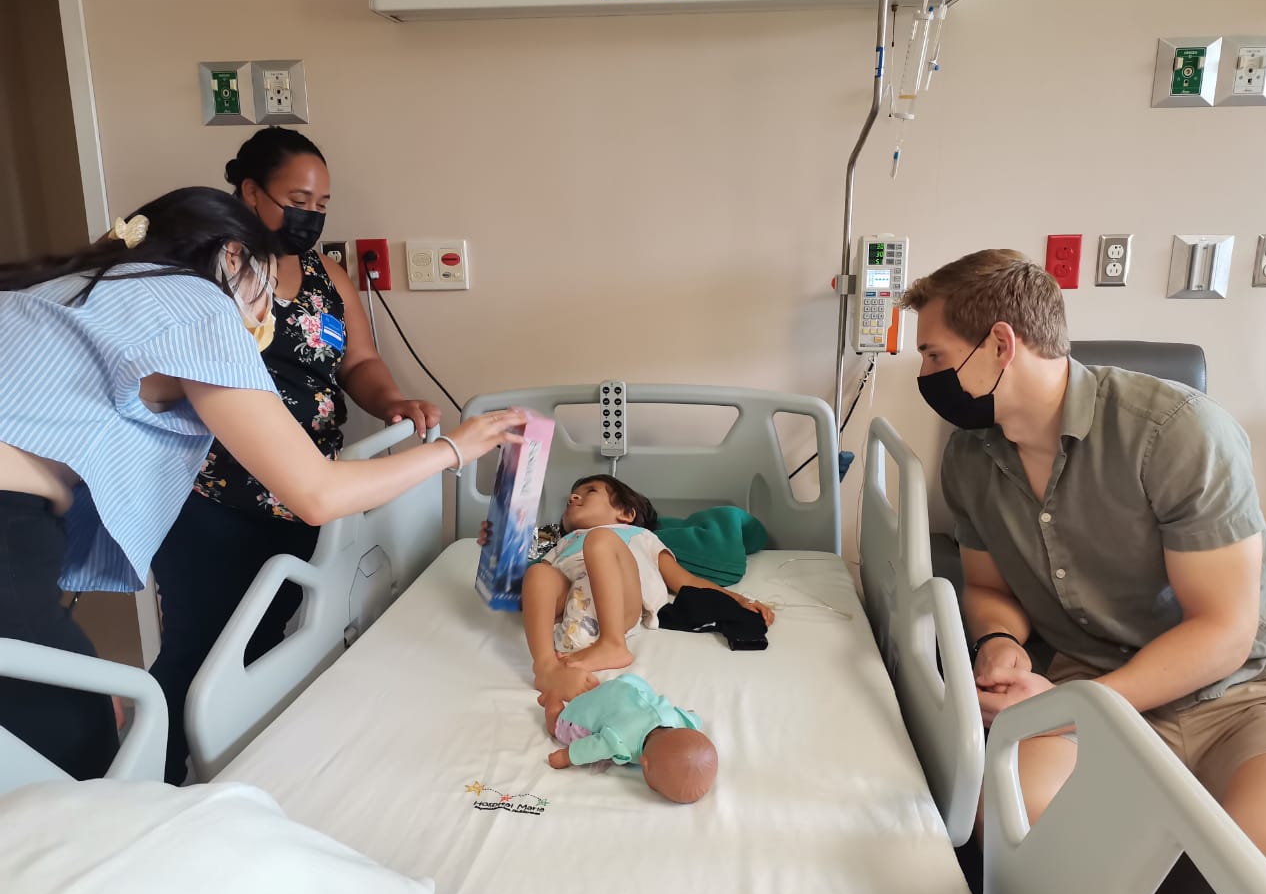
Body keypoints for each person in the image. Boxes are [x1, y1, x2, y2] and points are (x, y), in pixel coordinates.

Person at [0, 186, 522, 782]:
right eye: (267, 288)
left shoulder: (80, 287)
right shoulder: (198, 305)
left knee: (67, 711)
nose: (267, 312)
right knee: (73, 742)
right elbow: (318, 494)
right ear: (231, 256)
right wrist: (456, 448)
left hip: (24, 520)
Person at [905, 248, 1266, 894]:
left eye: (933, 355)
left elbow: (1225, 631)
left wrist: (1083, 703)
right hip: (1084, 671)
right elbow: (988, 586)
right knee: (1013, 816)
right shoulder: (971, 459)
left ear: (1001, 345)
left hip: (1240, 696)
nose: (924, 376)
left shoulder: (1177, 434)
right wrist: (1001, 645)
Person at [149, 128, 445, 784]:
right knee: (199, 652)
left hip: (310, 497)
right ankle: (152, 785)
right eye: (298, 200)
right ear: (250, 192)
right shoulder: (212, 268)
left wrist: (394, 402)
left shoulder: (326, 276)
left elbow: (358, 361)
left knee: (268, 649)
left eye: (323, 204)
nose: (312, 215)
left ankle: (237, 780)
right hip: (215, 500)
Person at [511, 475, 774, 698]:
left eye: (589, 492)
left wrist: (739, 599)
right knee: (538, 572)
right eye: (571, 497)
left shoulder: (639, 536)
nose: (573, 498)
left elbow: (687, 581)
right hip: (571, 607)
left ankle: (612, 644)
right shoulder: (563, 543)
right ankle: (545, 666)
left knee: (600, 540)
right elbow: (531, 585)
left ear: (626, 514)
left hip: (622, 606)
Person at [538, 673, 717, 804]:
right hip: (601, 702)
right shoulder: (621, 741)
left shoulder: (678, 720)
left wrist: (692, 717)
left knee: (628, 701)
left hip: (628, 685)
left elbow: (692, 717)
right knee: (557, 727)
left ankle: (597, 691)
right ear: (645, 765)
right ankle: (552, 697)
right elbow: (594, 747)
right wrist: (567, 756)